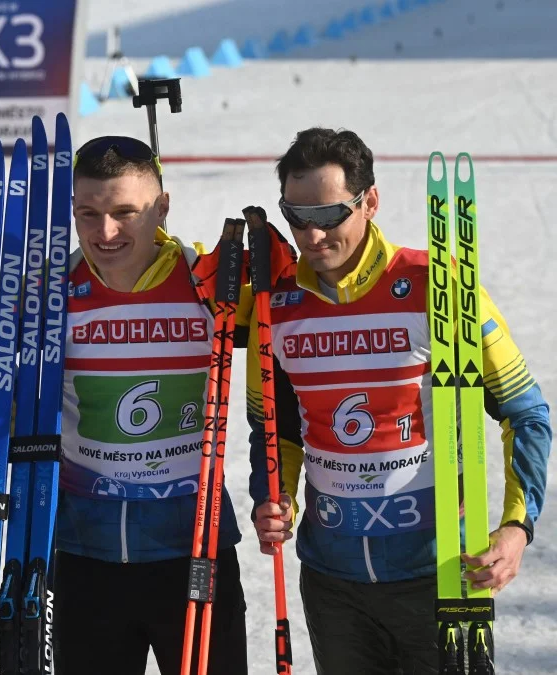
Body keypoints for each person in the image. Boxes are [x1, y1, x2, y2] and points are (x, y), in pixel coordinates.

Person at [247, 127, 552, 674]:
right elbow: (275, 429)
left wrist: (515, 526)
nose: (310, 237)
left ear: (370, 202)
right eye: (295, 217)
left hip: (437, 573)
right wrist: (276, 498)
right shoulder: (276, 306)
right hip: (332, 580)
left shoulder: (439, 287)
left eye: (327, 216)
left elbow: (525, 412)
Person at [52, 135, 254, 674]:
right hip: (84, 555)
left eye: (125, 212)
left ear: (162, 207)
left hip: (193, 551)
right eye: (88, 213)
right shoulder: (49, 295)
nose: (105, 232)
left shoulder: (212, 284)